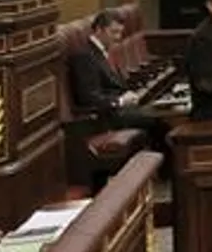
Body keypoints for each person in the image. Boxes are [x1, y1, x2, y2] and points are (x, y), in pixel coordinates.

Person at [67, 10, 172, 150]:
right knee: (160, 122)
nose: (118, 37)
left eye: (120, 32)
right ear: (99, 29)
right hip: (106, 118)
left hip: (119, 110)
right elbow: (89, 97)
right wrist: (121, 101)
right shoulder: (85, 56)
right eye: (114, 32)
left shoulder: (103, 51)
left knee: (161, 114)